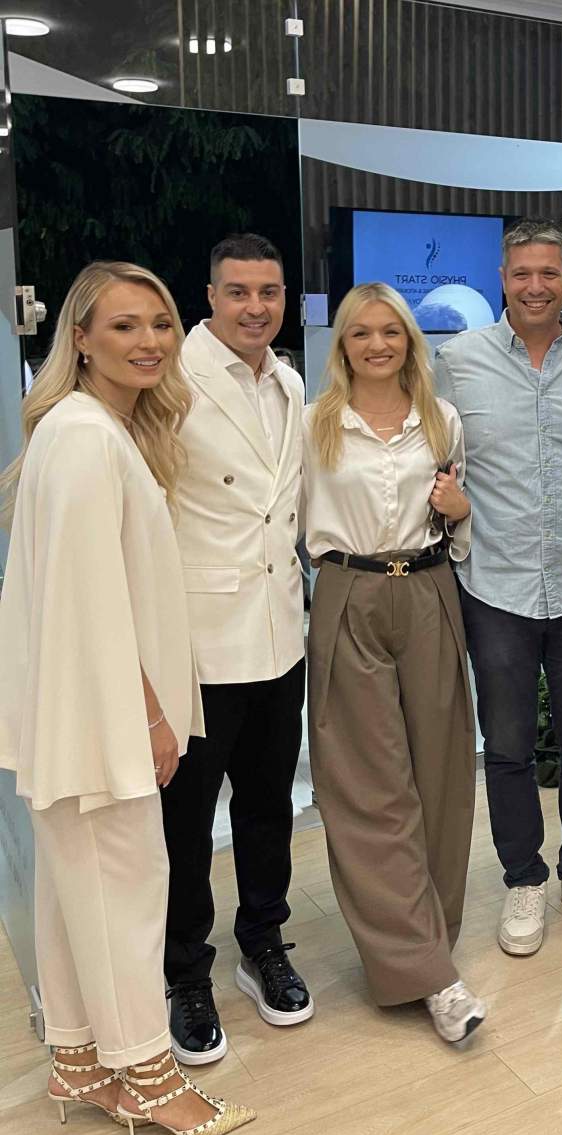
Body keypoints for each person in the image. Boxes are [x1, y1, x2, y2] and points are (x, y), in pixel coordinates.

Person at [0, 261, 254, 1135]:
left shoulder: (94, 429)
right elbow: (90, 599)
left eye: (159, 324)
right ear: (79, 339)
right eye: (123, 326)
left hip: (83, 711)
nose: (149, 341)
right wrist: (149, 715)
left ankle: (82, 1063)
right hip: (101, 714)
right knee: (125, 889)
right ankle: (149, 1075)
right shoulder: (84, 436)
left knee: (81, 891)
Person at [434, 219, 562, 956]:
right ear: (502, 278)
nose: (536, 286)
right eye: (522, 273)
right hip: (496, 586)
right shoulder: (459, 362)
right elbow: (432, 458)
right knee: (508, 747)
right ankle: (524, 878)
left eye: (549, 273)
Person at [303, 283, 484, 1043]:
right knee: (368, 784)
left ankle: (430, 937)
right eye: (360, 333)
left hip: (429, 588)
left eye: (391, 332)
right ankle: (427, 973)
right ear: (341, 344)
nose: (377, 345)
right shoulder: (315, 423)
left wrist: (461, 514)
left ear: (410, 340)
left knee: (442, 774)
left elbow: (458, 521)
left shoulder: (442, 421)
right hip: (348, 590)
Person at [159, 233, 312, 1066]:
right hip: (200, 641)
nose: (256, 307)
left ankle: (264, 943)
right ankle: (185, 973)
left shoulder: (288, 380)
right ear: (210, 296)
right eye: (239, 292)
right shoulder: (171, 379)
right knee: (185, 823)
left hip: (280, 631)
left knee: (266, 806)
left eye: (270, 292)